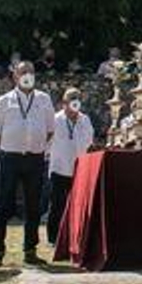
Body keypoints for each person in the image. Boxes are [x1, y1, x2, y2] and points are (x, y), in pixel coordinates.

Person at [0, 60, 54, 266]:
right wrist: (7, 149)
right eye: (23, 72)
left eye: (31, 72)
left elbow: (50, 130)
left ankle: (30, 250)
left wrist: (37, 145)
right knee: (2, 205)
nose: (27, 75)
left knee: (33, 206)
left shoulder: (44, 100)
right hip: (10, 158)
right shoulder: (4, 101)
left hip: (34, 158)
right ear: (15, 76)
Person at [46, 87, 93, 245]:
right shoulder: (55, 119)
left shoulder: (84, 119)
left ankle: (75, 236)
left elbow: (88, 140)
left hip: (78, 168)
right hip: (59, 168)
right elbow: (48, 140)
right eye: (70, 101)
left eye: (77, 101)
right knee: (57, 206)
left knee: (77, 205)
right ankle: (53, 237)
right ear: (64, 103)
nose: (74, 106)